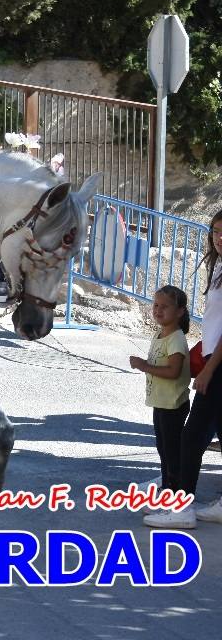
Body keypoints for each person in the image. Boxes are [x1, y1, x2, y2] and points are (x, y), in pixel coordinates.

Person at [145, 210, 222, 529]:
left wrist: (207, 369)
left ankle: (182, 508)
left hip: (219, 366)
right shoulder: (218, 265)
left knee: (191, 438)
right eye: (216, 231)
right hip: (212, 359)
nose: (220, 238)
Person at [128, 286, 192, 501]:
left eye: (165, 306)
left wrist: (144, 366)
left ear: (180, 311)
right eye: (156, 305)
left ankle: (175, 494)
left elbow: (173, 372)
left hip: (173, 405)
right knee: (163, 449)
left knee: (172, 452)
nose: (158, 310)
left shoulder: (176, 338)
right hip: (161, 402)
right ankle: (167, 487)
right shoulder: (160, 333)